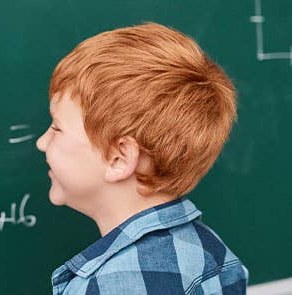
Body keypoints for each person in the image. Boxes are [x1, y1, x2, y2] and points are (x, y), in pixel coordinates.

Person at [36, 23, 248, 294]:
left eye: (56, 128)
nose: (41, 142)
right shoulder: (212, 253)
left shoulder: (111, 285)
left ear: (118, 158)